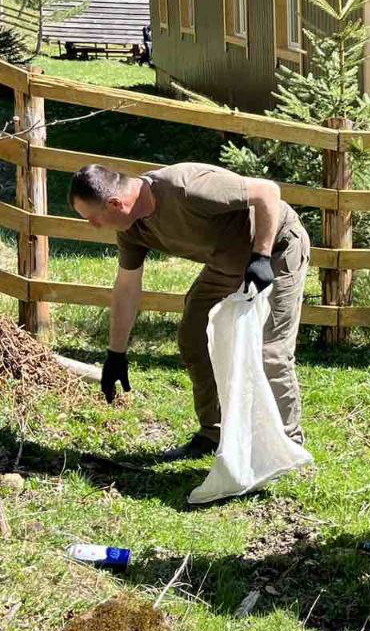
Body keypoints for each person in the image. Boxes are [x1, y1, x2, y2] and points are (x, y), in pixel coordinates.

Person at [69, 162, 311, 459]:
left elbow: (267, 192)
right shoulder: (132, 229)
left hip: (276, 247)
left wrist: (261, 256)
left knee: (270, 350)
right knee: (194, 336)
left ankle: (288, 445)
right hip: (226, 262)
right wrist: (115, 354)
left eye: (92, 218)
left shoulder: (185, 189)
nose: (93, 226)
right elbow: (127, 287)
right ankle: (214, 433)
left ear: (115, 204)